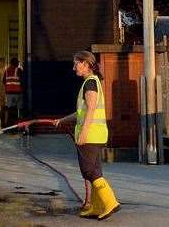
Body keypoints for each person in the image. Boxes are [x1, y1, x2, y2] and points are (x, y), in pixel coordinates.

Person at [54, 50, 120, 220]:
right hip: (95, 135)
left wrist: (83, 133)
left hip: (90, 136)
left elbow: (90, 109)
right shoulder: (91, 83)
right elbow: (81, 112)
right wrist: (63, 119)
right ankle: (97, 207)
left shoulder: (90, 83)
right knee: (94, 171)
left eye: (77, 63)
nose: (74, 66)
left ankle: (110, 202)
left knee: (89, 171)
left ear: (86, 64)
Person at [2, 57, 23, 126]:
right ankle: (20, 122)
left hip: (8, 92)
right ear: (16, 63)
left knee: (8, 108)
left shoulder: (6, 71)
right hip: (17, 92)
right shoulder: (19, 70)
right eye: (18, 63)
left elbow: (4, 81)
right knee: (19, 108)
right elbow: (23, 80)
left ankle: (6, 122)